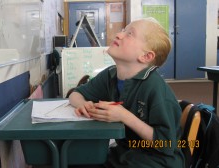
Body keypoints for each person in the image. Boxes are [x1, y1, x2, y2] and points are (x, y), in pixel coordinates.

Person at [69, 17, 185, 168]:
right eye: (123, 30)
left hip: (158, 160)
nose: (119, 34)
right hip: (127, 153)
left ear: (146, 56)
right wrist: (84, 105)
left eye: (130, 34)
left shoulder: (156, 88)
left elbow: (166, 144)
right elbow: (75, 94)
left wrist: (124, 116)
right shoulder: (110, 74)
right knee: (75, 161)